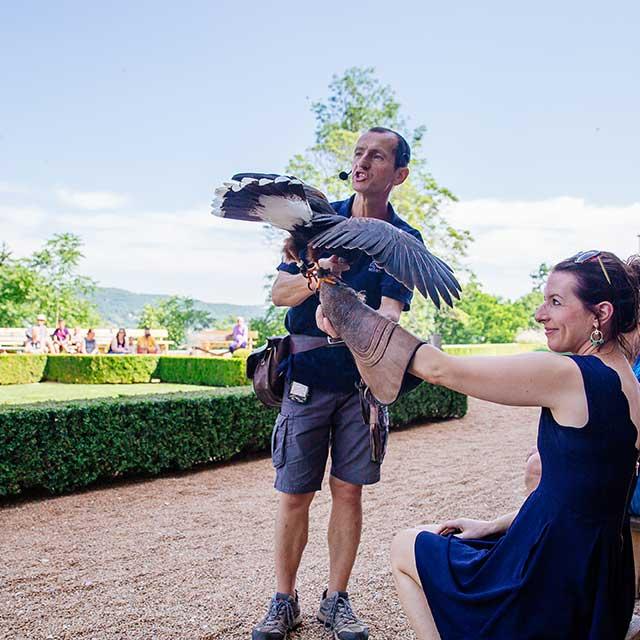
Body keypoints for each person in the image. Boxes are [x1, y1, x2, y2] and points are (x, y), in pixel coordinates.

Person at [317, 250, 640, 639]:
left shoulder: (568, 375)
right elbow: (585, 499)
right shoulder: (630, 386)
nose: (540, 314)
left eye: (556, 302)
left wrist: (345, 311)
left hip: (549, 577)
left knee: (406, 547)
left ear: (600, 314)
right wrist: (495, 525)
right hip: (603, 580)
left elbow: (438, 368)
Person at [252, 127, 422, 640]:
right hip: (305, 376)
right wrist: (318, 274)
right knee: (294, 494)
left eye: (377, 155)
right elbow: (281, 291)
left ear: (399, 174)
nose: (363, 161)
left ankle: (336, 600)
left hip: (361, 383)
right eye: (359, 153)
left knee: (348, 492)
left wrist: (350, 316)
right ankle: (284, 601)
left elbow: (391, 310)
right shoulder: (317, 222)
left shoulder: (405, 242)